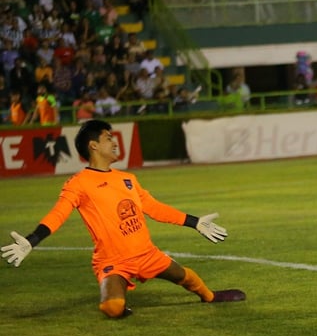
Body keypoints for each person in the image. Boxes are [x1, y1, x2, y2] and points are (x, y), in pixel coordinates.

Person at [0, 119, 246, 318]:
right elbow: (58, 214)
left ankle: (211, 296)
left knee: (186, 277)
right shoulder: (78, 184)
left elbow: (153, 207)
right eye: (108, 138)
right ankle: (122, 305)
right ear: (93, 145)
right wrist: (32, 240)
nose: (114, 142)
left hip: (146, 254)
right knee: (112, 308)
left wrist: (194, 221)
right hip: (113, 261)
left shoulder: (127, 178)